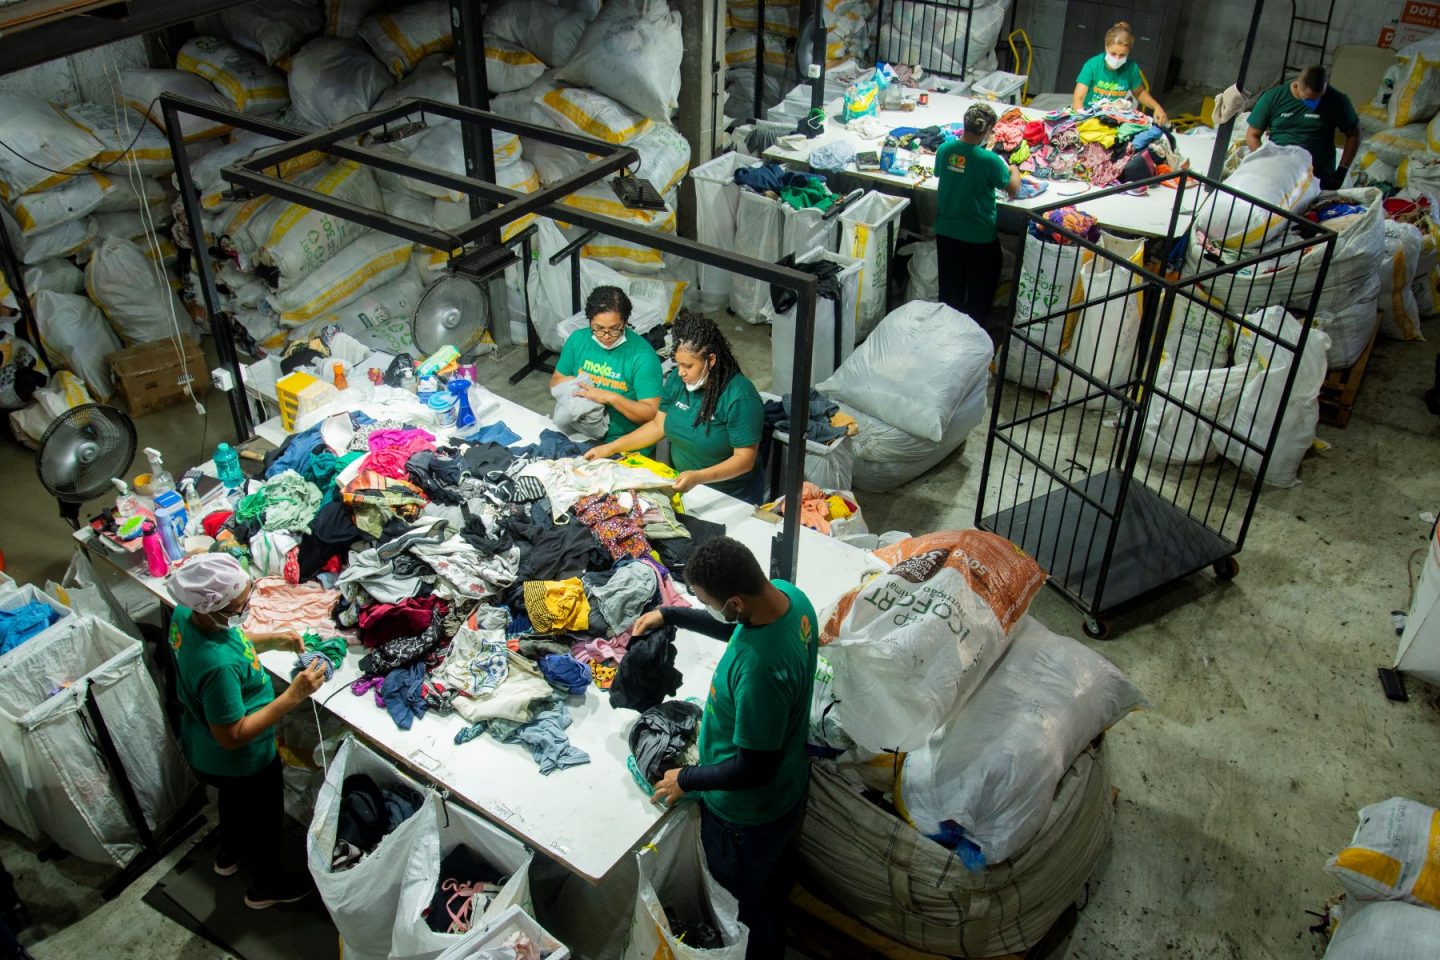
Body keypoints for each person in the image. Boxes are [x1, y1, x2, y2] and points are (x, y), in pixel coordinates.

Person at [637, 537, 818, 960]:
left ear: (735, 601)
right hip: (790, 790)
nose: (714, 610)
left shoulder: (760, 671)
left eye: (710, 602)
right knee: (771, 889)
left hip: (746, 818)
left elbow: (754, 768)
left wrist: (686, 777)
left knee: (740, 909)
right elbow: (732, 626)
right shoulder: (790, 598)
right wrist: (670, 614)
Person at [167, 554, 327, 910]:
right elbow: (232, 734)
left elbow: (229, 641)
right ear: (213, 608)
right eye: (240, 606)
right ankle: (265, 887)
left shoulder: (185, 615)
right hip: (242, 759)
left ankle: (229, 855)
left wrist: (270, 640)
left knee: (234, 805)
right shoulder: (218, 668)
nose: (245, 609)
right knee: (264, 823)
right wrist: (293, 695)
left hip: (204, 748)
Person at [583, 312, 766, 503]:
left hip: (730, 496)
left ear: (711, 360)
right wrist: (610, 448)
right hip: (686, 485)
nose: (681, 372)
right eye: (678, 364)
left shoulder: (740, 396)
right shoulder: (677, 380)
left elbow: (745, 459)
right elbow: (658, 426)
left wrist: (699, 477)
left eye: (688, 366)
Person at [934, 103, 1021, 338]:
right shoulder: (989, 160)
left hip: (946, 234)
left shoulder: (945, 150)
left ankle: (944, 340)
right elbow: (1012, 188)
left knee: (950, 292)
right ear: (988, 130)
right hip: (979, 239)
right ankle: (972, 341)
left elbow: (943, 174)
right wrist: (1014, 168)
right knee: (979, 296)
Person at [550, 285, 663, 453]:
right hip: (581, 434)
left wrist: (610, 398)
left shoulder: (643, 357)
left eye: (614, 329)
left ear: (625, 323)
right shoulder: (577, 340)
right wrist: (577, 384)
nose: (606, 336)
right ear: (589, 321)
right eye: (599, 329)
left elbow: (651, 413)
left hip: (625, 445)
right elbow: (555, 382)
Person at [1246, 64, 1360, 190]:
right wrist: (1265, 163)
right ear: (1297, 85)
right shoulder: (1273, 97)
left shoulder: (1337, 100)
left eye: (1319, 98)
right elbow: (1253, 134)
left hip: (1317, 176)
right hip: (1279, 170)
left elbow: (1354, 135)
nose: (1314, 104)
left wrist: (1341, 171)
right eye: (1308, 98)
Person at [1071, 20, 1169, 125]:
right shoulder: (1092, 65)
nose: (1117, 58)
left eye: (1122, 55)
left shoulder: (1131, 68)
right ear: (1106, 46)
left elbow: (1139, 93)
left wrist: (1156, 107)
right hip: (1089, 115)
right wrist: (1082, 120)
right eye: (1113, 53)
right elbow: (1078, 98)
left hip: (1113, 118)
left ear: (1129, 52)